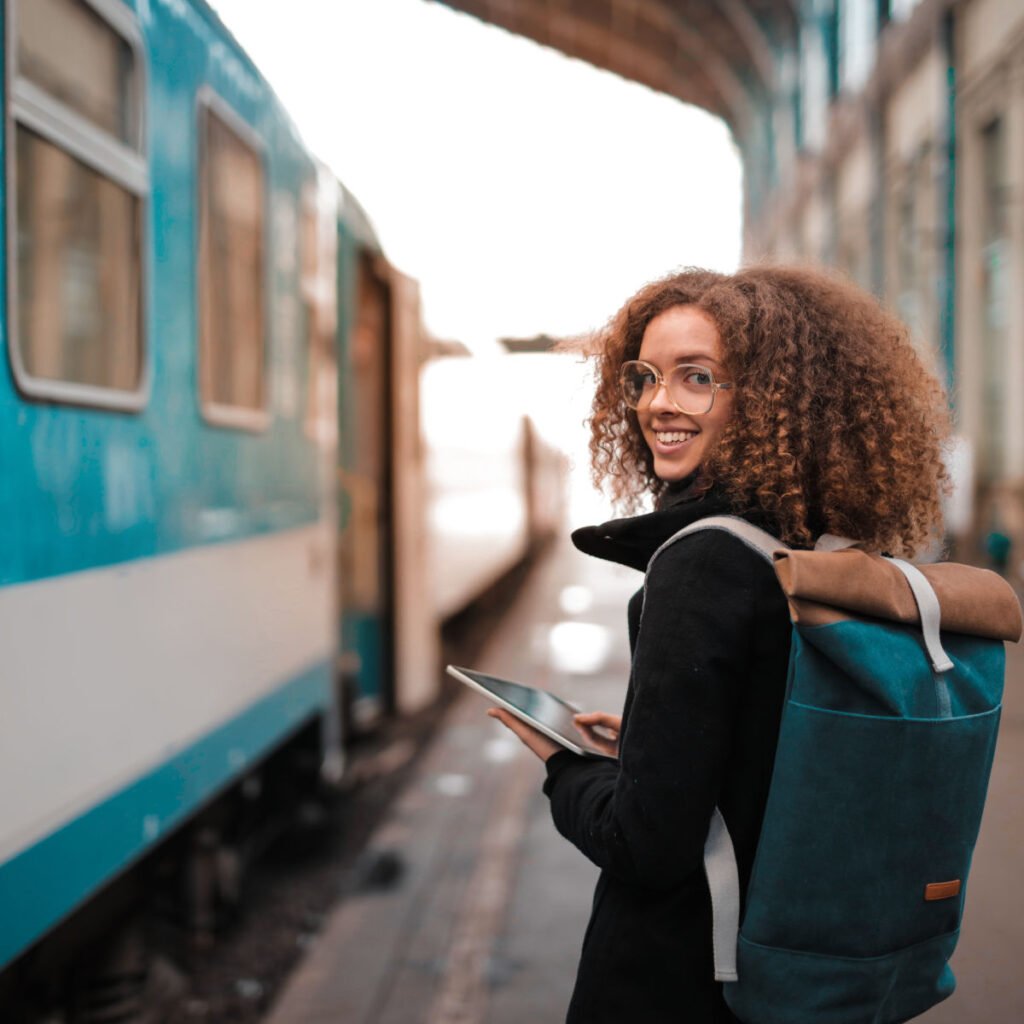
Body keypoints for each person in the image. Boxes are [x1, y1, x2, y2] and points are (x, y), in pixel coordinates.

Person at [487, 265, 952, 1023]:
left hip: (685, 980)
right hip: (793, 966)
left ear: (769, 400)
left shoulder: (700, 564)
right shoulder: (807, 544)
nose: (658, 403)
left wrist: (562, 765)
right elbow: (767, 747)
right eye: (644, 377)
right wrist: (641, 745)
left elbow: (645, 847)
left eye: (697, 377)